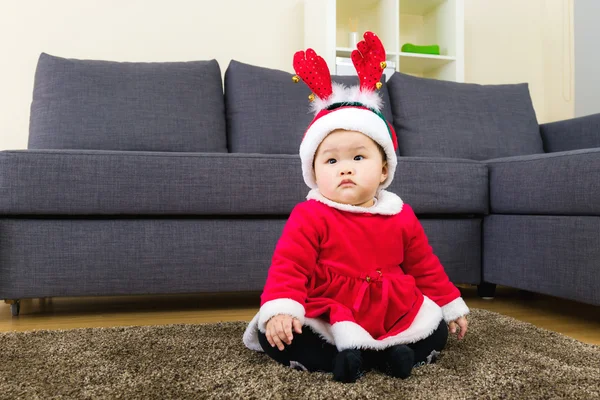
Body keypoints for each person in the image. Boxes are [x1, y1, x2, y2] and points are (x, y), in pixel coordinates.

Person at [242, 32, 469, 383]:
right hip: (332, 306)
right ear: (314, 174)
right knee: (280, 338)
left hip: (391, 307)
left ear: (383, 170)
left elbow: (424, 266)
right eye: (331, 161)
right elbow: (289, 267)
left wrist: (450, 304)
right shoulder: (310, 215)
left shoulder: (399, 214)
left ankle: (392, 354)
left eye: (358, 157)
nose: (344, 168)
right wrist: (281, 310)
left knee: (435, 328)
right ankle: (345, 357)